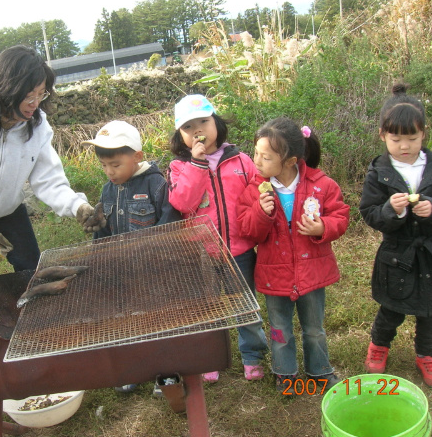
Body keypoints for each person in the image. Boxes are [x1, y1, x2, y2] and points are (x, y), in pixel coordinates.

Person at [0, 45, 103, 277]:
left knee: (31, 270)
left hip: (8, 209)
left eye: (41, 94)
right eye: (29, 96)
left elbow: (48, 180)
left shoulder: (37, 126)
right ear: (8, 89)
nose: (35, 103)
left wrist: (77, 206)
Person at [236, 117, 349, 392]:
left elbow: (340, 216)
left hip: (311, 273)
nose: (257, 162)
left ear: (289, 161)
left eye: (265, 157)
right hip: (275, 275)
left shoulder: (321, 185)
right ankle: (285, 373)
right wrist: (261, 213)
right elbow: (249, 230)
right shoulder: (254, 189)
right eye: (256, 155)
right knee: (280, 330)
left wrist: (324, 226)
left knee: (314, 328)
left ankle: (320, 371)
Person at [166, 94, 269, 383]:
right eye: (189, 127)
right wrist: (197, 166)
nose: (198, 130)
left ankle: (252, 355)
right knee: (210, 308)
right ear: (181, 135)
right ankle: (211, 357)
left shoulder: (240, 159)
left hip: (240, 249)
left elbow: (258, 191)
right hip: (203, 252)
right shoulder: (179, 167)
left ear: (216, 123)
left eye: (203, 121)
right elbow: (183, 203)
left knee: (244, 304)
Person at [81, 120, 180, 393]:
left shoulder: (156, 185)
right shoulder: (107, 190)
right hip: (123, 271)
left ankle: (166, 373)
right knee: (127, 320)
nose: (109, 171)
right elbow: (104, 232)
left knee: (159, 320)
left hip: (154, 270)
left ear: (136, 157)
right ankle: (133, 369)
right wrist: (98, 257)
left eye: (115, 164)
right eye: (104, 165)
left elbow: (169, 226)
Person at [359, 83, 432, 387]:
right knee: (391, 308)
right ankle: (378, 347)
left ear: (424, 134)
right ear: (383, 135)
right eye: (396, 139)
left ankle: (427, 355)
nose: (405, 146)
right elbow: (368, 212)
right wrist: (390, 211)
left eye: (413, 138)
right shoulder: (379, 172)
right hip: (397, 255)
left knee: (430, 312)